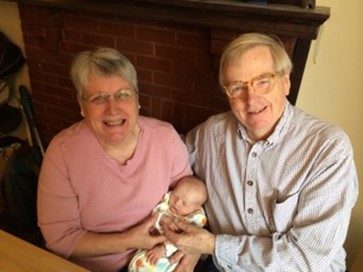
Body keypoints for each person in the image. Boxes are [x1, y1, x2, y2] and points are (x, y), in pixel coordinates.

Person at [161, 33, 359, 271]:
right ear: (227, 93)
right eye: (237, 87)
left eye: (263, 81)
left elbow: (308, 260)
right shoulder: (211, 133)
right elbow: (167, 160)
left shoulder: (327, 149)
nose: (251, 98)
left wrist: (211, 245)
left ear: (286, 81)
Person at [37, 47, 194, 272]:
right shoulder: (62, 151)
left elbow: (191, 204)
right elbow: (59, 239)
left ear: (137, 99)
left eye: (123, 94)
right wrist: (129, 239)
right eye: (99, 98)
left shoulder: (165, 138)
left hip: (159, 263)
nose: (113, 109)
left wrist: (192, 250)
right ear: (82, 106)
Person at [128, 175, 207, 272]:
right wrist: (163, 219)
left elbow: (186, 241)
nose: (177, 203)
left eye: (184, 203)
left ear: (196, 208)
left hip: (169, 260)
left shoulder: (193, 221)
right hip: (147, 249)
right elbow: (156, 213)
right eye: (175, 196)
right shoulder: (166, 205)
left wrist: (164, 248)